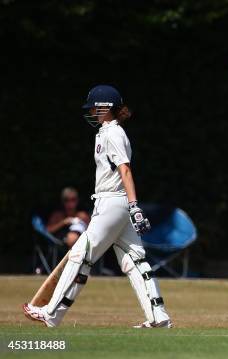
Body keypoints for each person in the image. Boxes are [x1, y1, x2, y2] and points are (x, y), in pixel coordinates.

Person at [23, 85, 172, 328]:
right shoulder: (105, 133)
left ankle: (51, 313)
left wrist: (134, 206)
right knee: (134, 260)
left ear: (106, 108)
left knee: (81, 255)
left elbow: (125, 169)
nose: (91, 111)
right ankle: (159, 317)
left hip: (113, 202)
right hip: (114, 203)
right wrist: (131, 207)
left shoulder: (113, 134)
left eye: (95, 106)